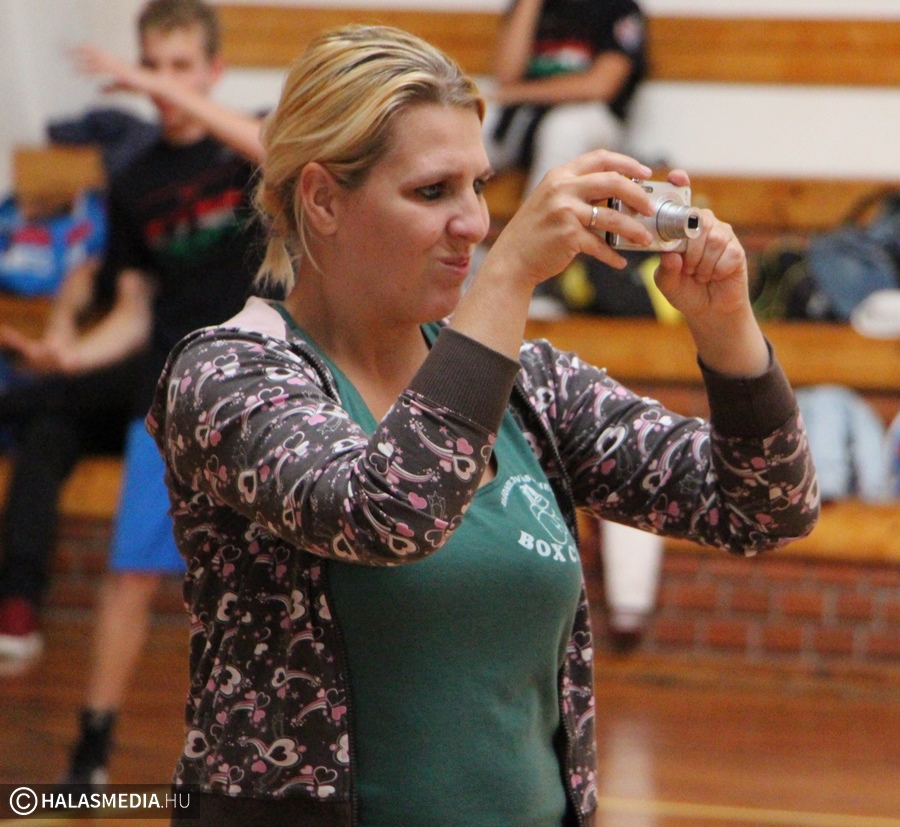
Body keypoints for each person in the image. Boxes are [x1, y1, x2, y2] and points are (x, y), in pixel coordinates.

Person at [147, 25, 819, 826]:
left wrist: (726, 323)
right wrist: (508, 276)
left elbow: (764, 506)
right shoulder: (227, 373)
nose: (472, 221)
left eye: (478, 186)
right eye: (433, 191)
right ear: (322, 200)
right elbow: (388, 512)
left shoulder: (531, 386)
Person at [7, 0, 271, 791]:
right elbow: (131, 311)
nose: (161, 83)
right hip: (171, 391)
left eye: (179, 66)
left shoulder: (250, 146)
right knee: (129, 576)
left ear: (214, 71)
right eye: (151, 66)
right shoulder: (134, 178)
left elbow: (271, 149)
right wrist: (69, 354)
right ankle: (90, 754)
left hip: (264, 389)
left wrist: (148, 83)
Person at [483, 0, 646, 198]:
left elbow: (599, 86)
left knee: (563, 129)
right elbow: (506, 76)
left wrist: (520, 93)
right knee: (471, 120)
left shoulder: (621, 8)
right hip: (523, 114)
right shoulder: (530, 6)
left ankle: (541, 216)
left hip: (589, 115)